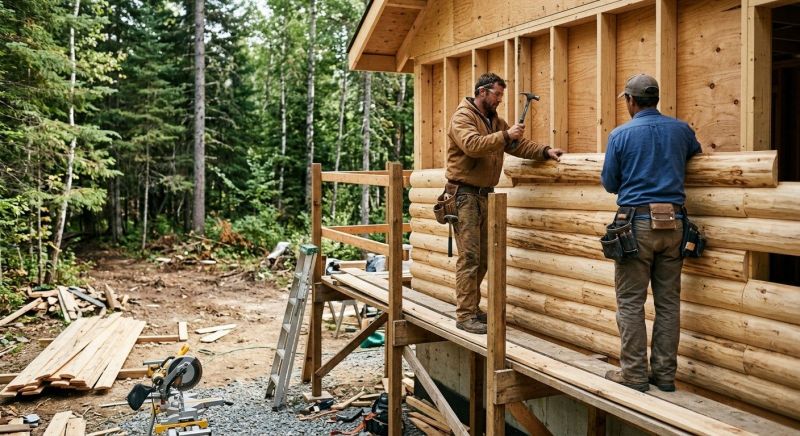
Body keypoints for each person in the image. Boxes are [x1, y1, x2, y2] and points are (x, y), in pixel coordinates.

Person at [601, 74, 702, 392]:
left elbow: (610, 183)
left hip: (635, 225)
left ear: (631, 101)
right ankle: (664, 376)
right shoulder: (682, 130)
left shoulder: (620, 134)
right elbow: (693, 156)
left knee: (631, 302)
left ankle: (633, 374)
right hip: (674, 224)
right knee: (668, 303)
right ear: (655, 99)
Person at [446, 72, 564, 334]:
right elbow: (472, 146)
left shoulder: (494, 120)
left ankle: (473, 309)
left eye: (501, 95)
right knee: (470, 257)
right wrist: (505, 135)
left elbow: (516, 145)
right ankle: (465, 315)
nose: (499, 100)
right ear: (482, 91)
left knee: (484, 256)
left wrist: (544, 151)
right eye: (497, 94)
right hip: (463, 195)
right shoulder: (463, 117)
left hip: (485, 194)